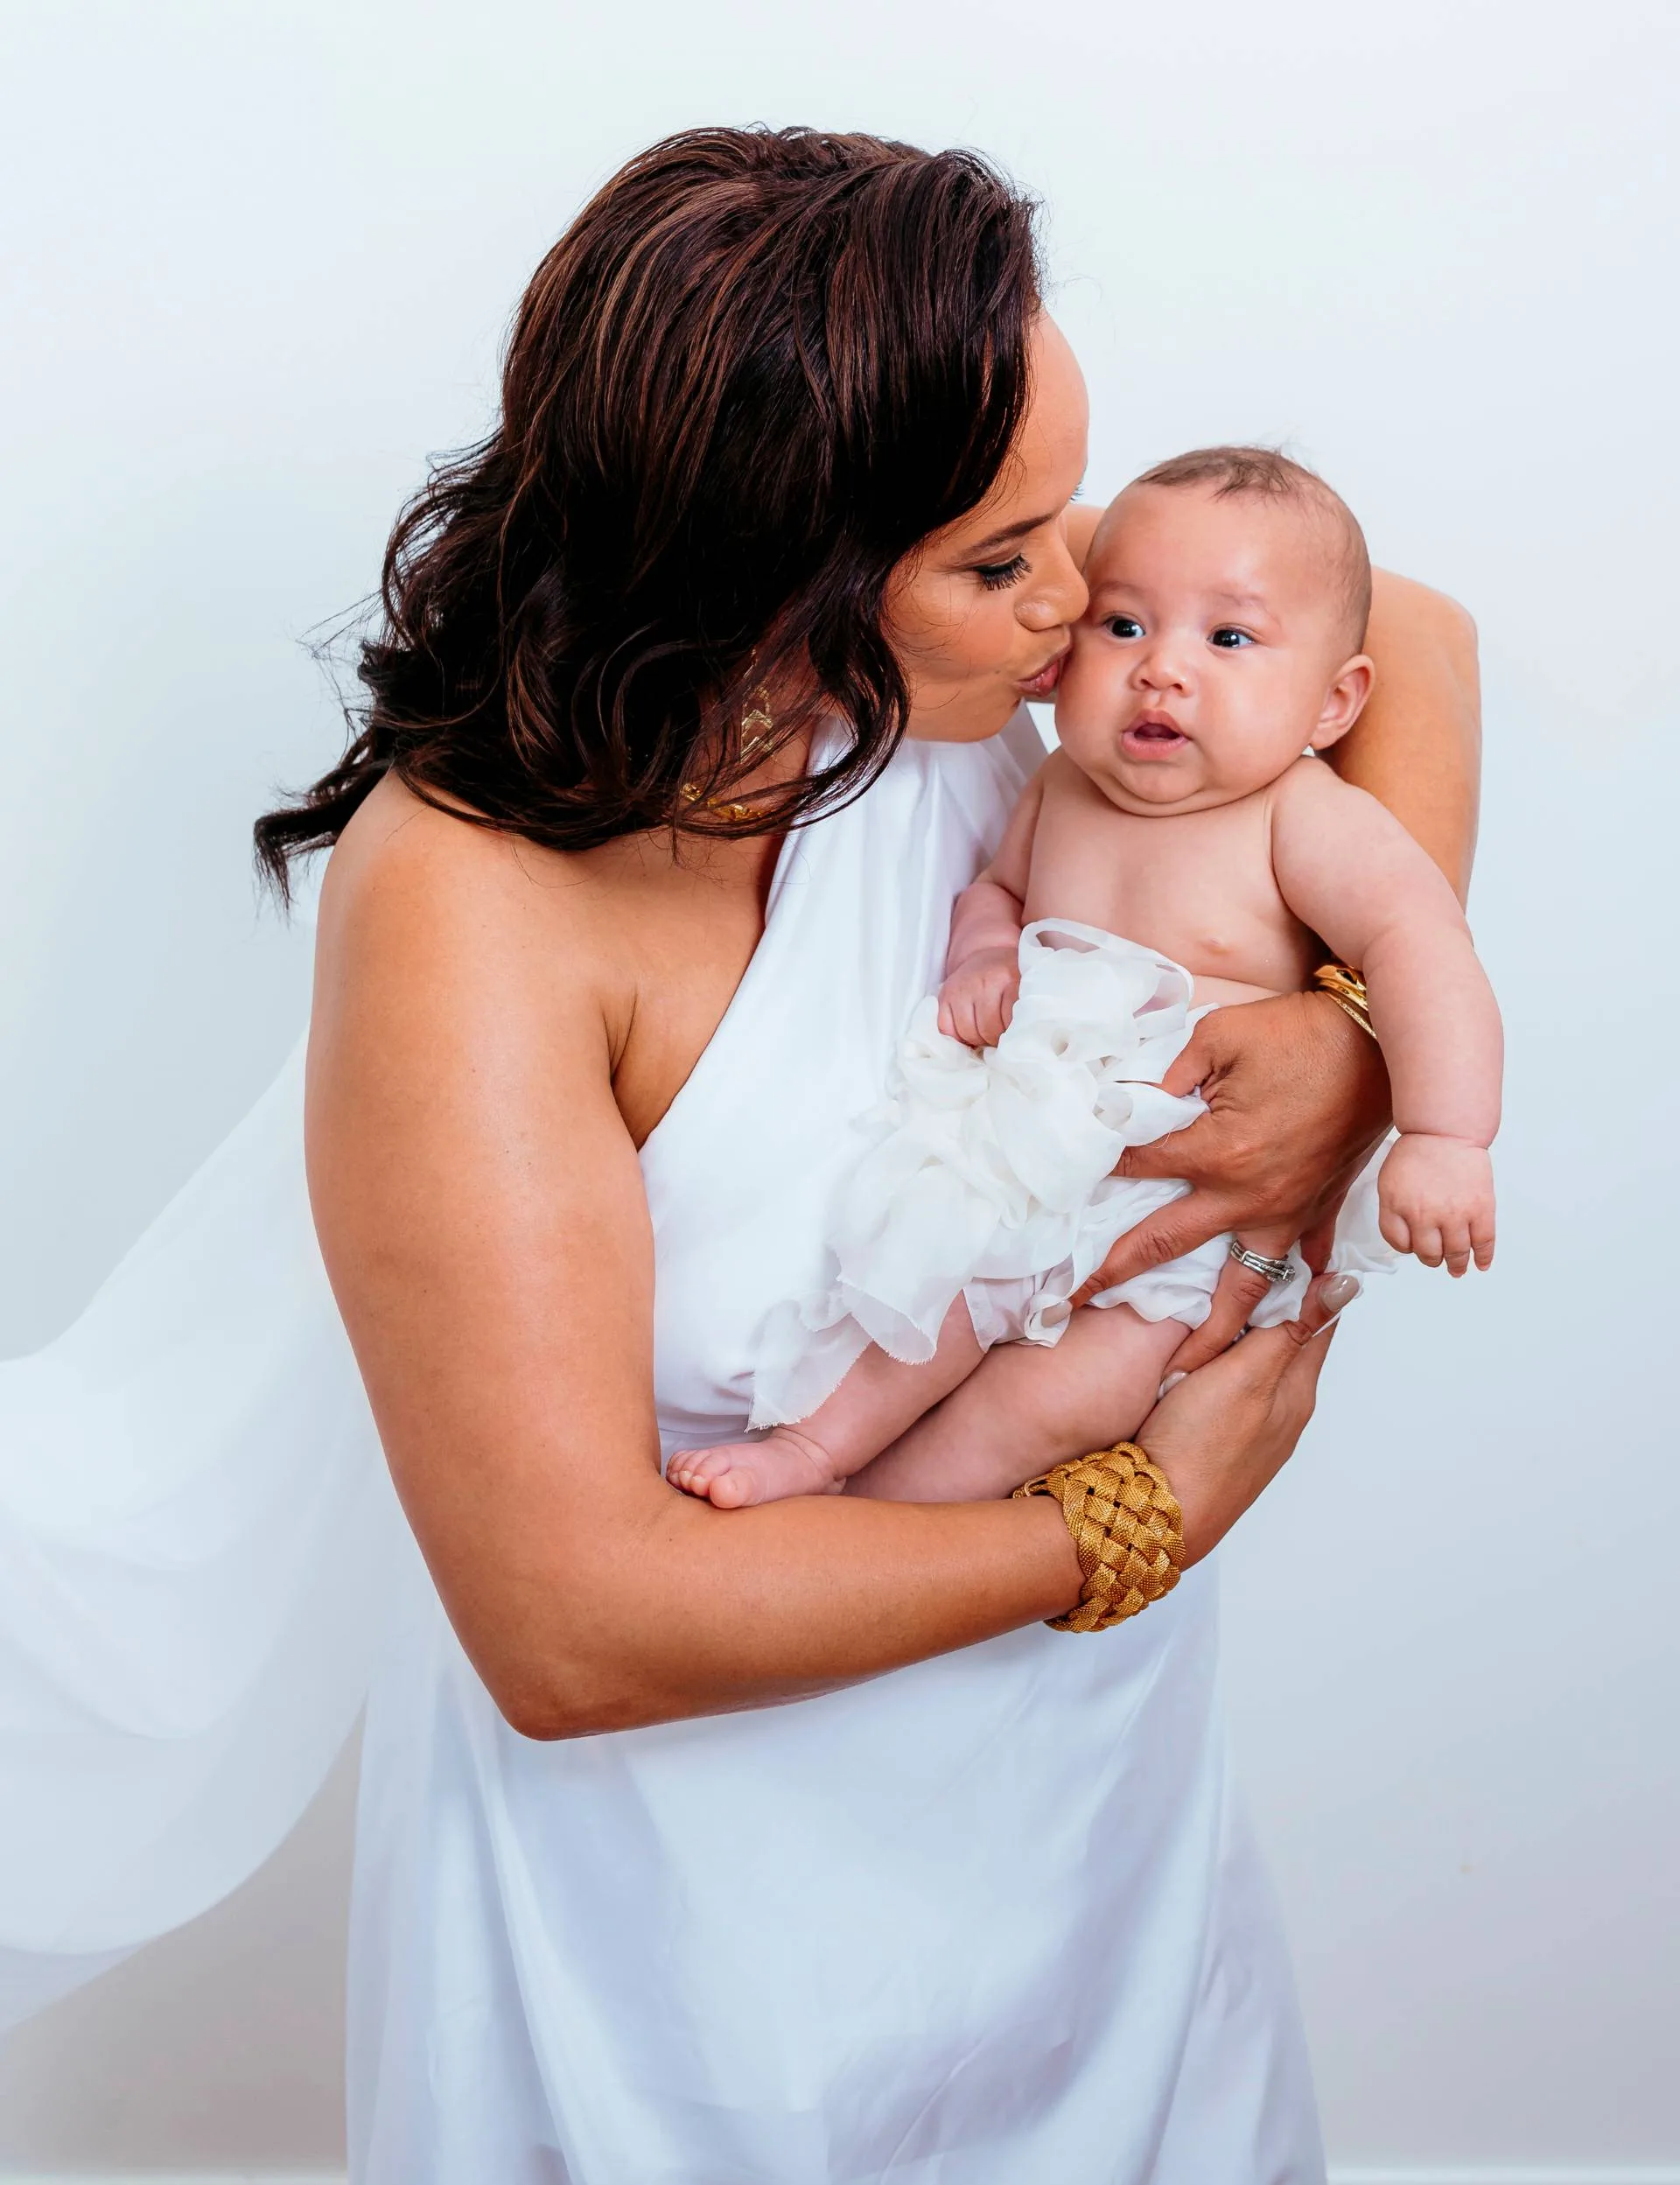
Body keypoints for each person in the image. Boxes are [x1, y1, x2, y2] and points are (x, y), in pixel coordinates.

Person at [0, 128, 1480, 2183]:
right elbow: (576, 1627)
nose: (1085, 618)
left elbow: (1397, 625)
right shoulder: (476, 908)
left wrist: (1342, 1039)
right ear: (770, 578)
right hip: (686, 1924)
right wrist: (1126, 1522)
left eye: (1075, 533)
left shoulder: (994, 696)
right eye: (1002, 562)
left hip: (1084, 1807)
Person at [671, 446, 1501, 1512]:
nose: (1163, 667)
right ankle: (817, 1456)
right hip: (1021, 1151)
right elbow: (998, 892)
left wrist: (1443, 1133)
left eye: (1230, 638)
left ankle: (894, 1518)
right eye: (1124, 626)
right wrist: (982, 951)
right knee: (919, 1307)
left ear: (1333, 704)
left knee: (1071, 1396)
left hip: (1179, 1191)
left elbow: (1420, 945)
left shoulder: (1298, 813)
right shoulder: (1062, 780)